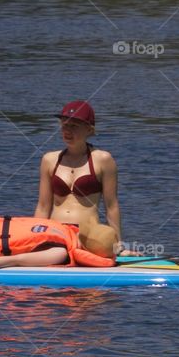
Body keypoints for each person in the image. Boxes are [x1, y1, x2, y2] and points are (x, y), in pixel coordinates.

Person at [34, 100, 137, 255]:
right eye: (64, 125)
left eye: (74, 126)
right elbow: (43, 207)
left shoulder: (103, 159)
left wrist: (118, 245)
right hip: (56, 233)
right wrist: (34, 237)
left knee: (61, 254)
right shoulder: (49, 160)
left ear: (89, 129)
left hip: (88, 235)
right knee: (55, 253)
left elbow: (111, 206)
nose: (67, 130)